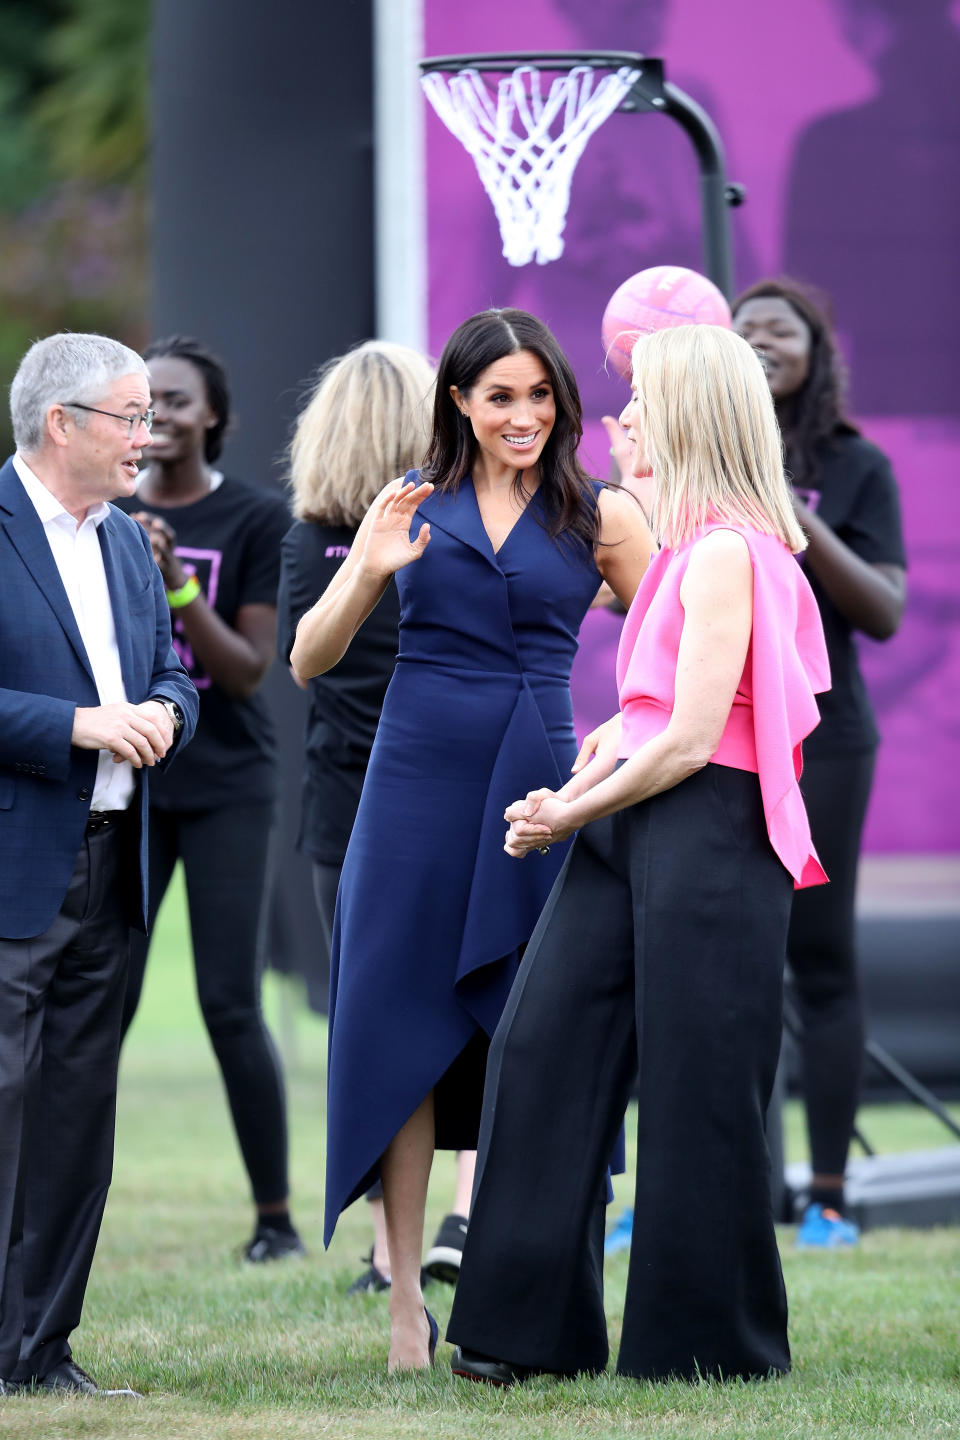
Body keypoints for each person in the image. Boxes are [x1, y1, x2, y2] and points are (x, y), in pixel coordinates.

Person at [446, 323, 830, 1386]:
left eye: (637, 404)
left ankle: (707, 1349)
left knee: (700, 1088)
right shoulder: (675, 546)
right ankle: (522, 1334)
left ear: (689, 416)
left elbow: (696, 737)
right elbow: (633, 719)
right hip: (634, 821)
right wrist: (567, 795)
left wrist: (568, 818)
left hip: (712, 835)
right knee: (540, 1049)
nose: (618, 422)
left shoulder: (729, 550)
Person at [291, 308, 653, 1371]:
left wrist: (623, 732)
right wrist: (365, 569)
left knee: (529, 1037)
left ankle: (513, 1284)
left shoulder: (602, 515)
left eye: (540, 395)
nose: (525, 415)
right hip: (409, 787)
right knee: (398, 1033)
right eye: (501, 396)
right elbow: (310, 661)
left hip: (537, 782)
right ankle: (405, 1303)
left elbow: (672, 654)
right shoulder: (411, 503)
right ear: (459, 400)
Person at [0, 332, 198, 1395]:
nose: (148, 434)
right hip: (14, 868)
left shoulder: (127, 539)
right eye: (129, 416)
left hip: (114, 867)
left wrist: (168, 707)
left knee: (77, 1121)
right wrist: (74, 726)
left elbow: (173, 666)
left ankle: (38, 1356)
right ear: (60, 424)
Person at [277, 340, 477, 1292]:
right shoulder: (456, 533)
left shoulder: (305, 535)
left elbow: (304, 665)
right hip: (445, 799)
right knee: (479, 1006)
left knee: (373, 1025)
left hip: (343, 808)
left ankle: (385, 1250)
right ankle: (466, 1213)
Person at [114, 335, 303, 1262]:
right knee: (100, 999)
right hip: (128, 784)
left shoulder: (258, 520)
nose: (159, 416)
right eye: (143, 400)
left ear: (213, 416)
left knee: (230, 1002)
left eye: (177, 400)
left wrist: (177, 583)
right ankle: (55, 1202)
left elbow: (245, 669)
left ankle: (275, 1220)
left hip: (228, 783)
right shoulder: (102, 512)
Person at [732, 279, 907, 1246]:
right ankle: (722, 1185)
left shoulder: (855, 464)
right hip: (719, 737)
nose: (760, 339)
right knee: (718, 959)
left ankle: (829, 1197)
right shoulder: (689, 462)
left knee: (820, 958)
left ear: (814, 350)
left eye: (779, 327)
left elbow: (881, 612)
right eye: (743, 326)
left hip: (826, 739)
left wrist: (791, 520)